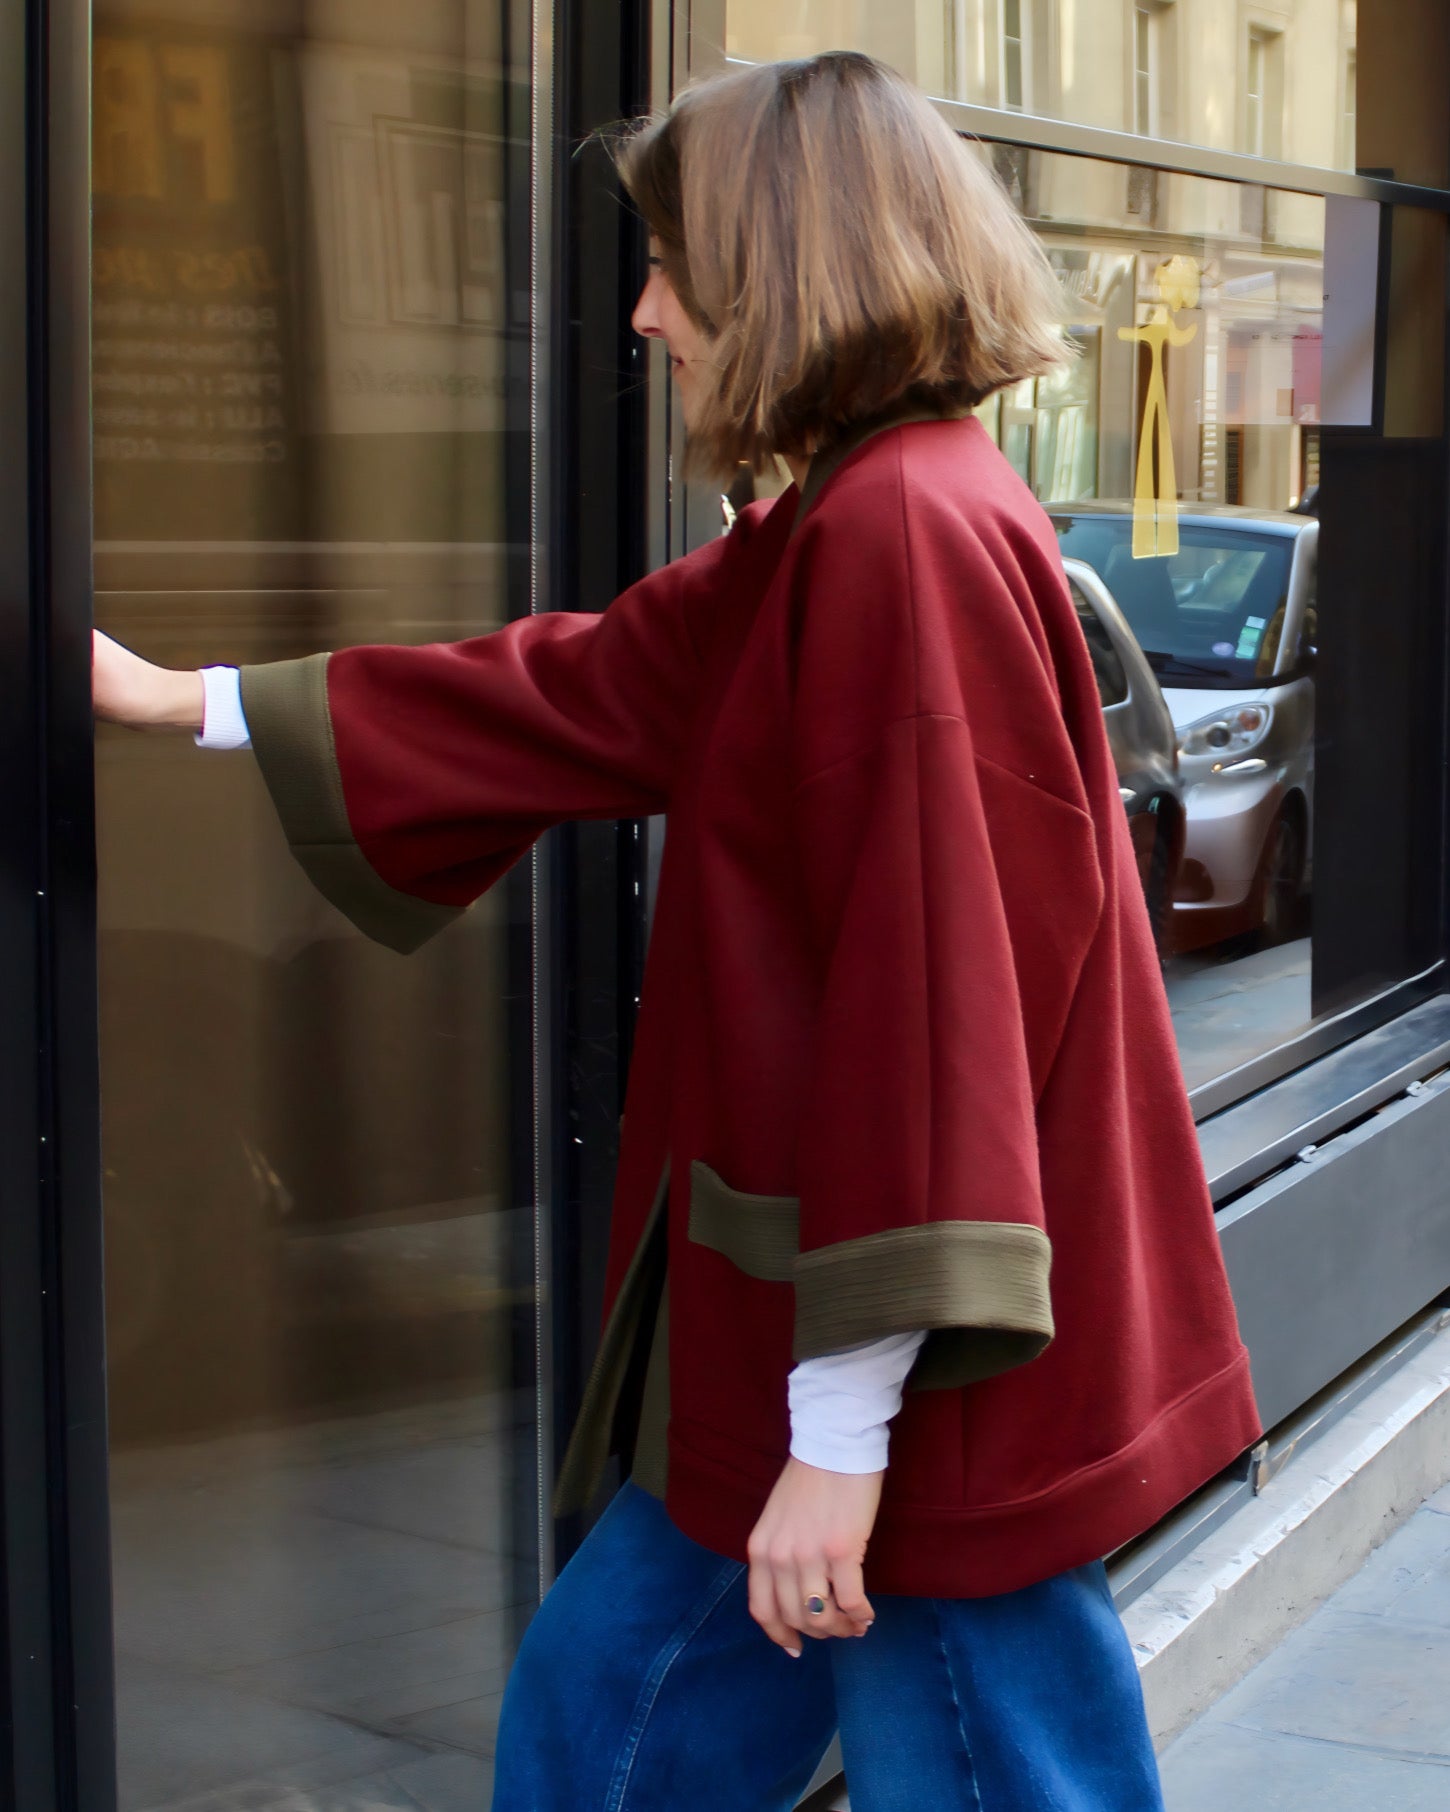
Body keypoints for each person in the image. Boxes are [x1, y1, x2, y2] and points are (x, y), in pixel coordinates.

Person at [93, 51, 1261, 1812]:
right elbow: (596, 683)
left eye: (671, 266)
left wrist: (841, 1447)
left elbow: (928, 1016)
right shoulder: (864, 514)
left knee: (714, 1752)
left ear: (784, 270)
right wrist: (194, 702)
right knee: (599, 1739)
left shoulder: (900, 540)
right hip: (812, 1361)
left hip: (897, 1391)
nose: (644, 314)